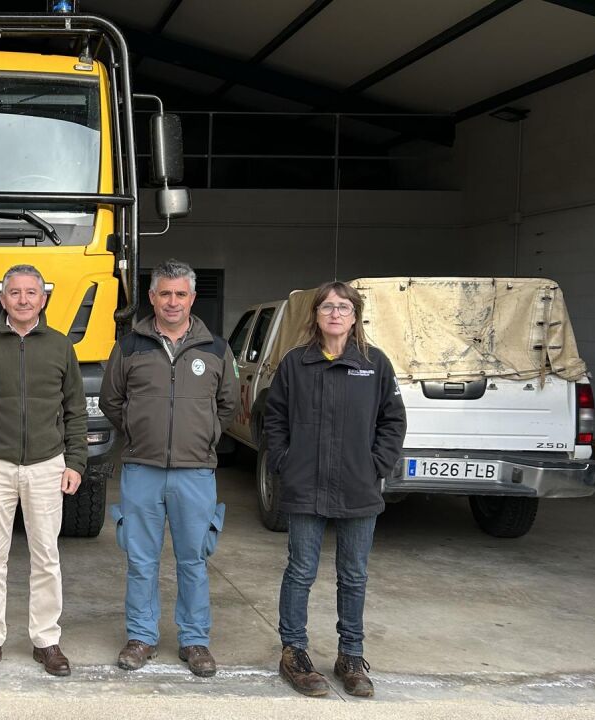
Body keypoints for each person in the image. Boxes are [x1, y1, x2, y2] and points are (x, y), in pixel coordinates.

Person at [263, 280, 406, 698]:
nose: (335, 313)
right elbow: (275, 418)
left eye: (343, 307)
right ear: (316, 315)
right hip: (306, 485)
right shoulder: (296, 363)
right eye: (327, 306)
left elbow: (393, 421)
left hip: (358, 487)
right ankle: (294, 652)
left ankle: (351, 656)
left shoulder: (374, 364)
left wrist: (375, 465)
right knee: (301, 571)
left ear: (355, 315)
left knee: (354, 575)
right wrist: (285, 462)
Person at [0, 264, 88, 678]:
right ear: (3, 299)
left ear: (43, 299)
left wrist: (76, 462)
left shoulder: (61, 346)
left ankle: (46, 640)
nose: (23, 299)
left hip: (47, 465)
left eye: (31, 292)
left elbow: (76, 411)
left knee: (46, 557)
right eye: (15, 292)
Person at [101, 258, 236, 677]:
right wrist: (139, 433)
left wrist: (204, 436)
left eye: (180, 294)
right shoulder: (129, 346)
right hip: (142, 469)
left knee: (193, 559)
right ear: (152, 297)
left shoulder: (216, 348)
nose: (173, 301)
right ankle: (141, 636)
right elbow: (111, 400)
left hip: (195, 472)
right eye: (165, 293)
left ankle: (195, 640)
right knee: (141, 559)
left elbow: (228, 404)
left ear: (192, 298)